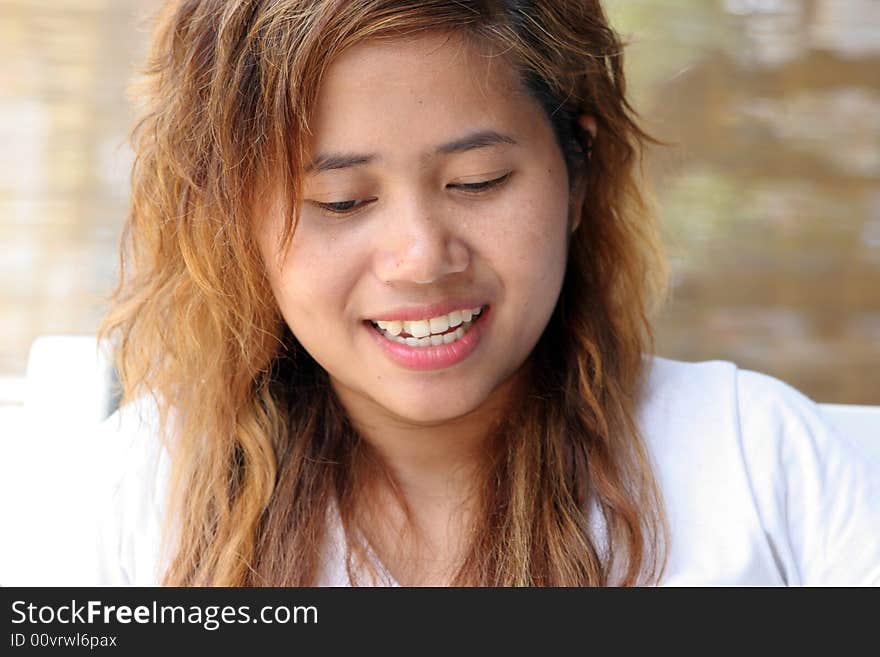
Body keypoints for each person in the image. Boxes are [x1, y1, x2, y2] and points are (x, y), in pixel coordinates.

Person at [96, 0, 879, 587]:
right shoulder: (138, 490)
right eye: (340, 200)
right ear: (233, 222)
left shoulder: (755, 461)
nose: (421, 258)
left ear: (577, 173)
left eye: (478, 181)